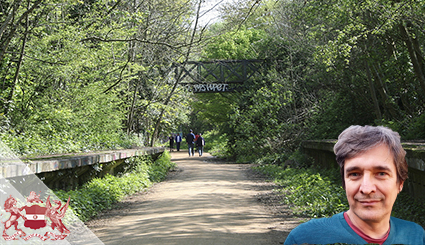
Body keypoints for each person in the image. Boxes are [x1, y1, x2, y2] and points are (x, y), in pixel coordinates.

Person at [284, 125, 425, 245]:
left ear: (400, 183)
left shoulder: (417, 236)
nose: (367, 189)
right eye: (355, 174)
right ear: (344, 183)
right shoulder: (305, 237)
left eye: (381, 174)